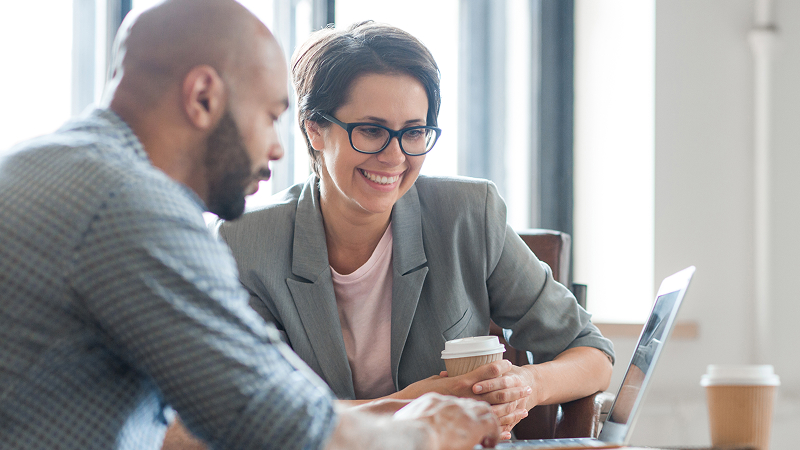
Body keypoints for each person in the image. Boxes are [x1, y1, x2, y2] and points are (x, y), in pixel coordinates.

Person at [0, 1, 501, 449]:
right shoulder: (131, 206)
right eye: (269, 116)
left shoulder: (44, 163)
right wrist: (426, 430)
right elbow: (275, 422)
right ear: (203, 97)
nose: (278, 149)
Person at [218, 21, 616, 440]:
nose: (395, 157)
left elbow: (592, 353)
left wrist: (526, 386)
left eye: (413, 132)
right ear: (315, 128)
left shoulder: (467, 215)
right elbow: (251, 410)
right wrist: (407, 407)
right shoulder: (246, 244)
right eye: (371, 130)